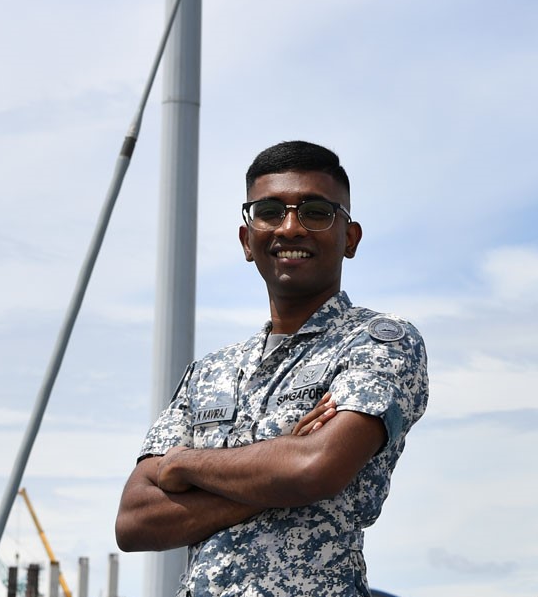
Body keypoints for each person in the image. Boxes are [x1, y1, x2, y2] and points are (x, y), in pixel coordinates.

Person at [115, 140, 429, 596]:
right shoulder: (210, 373)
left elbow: (316, 468)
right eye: (269, 211)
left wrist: (184, 464)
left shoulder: (379, 343)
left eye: (316, 212)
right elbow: (135, 520)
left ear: (350, 238)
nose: (290, 227)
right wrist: (279, 465)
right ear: (248, 240)